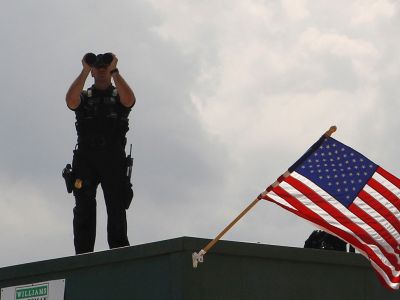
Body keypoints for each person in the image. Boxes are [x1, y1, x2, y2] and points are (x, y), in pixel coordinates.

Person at [65, 52, 136, 254]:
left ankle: (119, 254)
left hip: (113, 157)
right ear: (93, 71)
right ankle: (83, 257)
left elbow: (130, 100)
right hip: (86, 158)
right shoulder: (84, 97)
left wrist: (115, 71)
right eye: (98, 67)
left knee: (116, 207)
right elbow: (70, 101)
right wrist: (85, 70)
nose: (102, 70)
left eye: (105, 67)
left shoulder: (118, 95)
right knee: (83, 208)